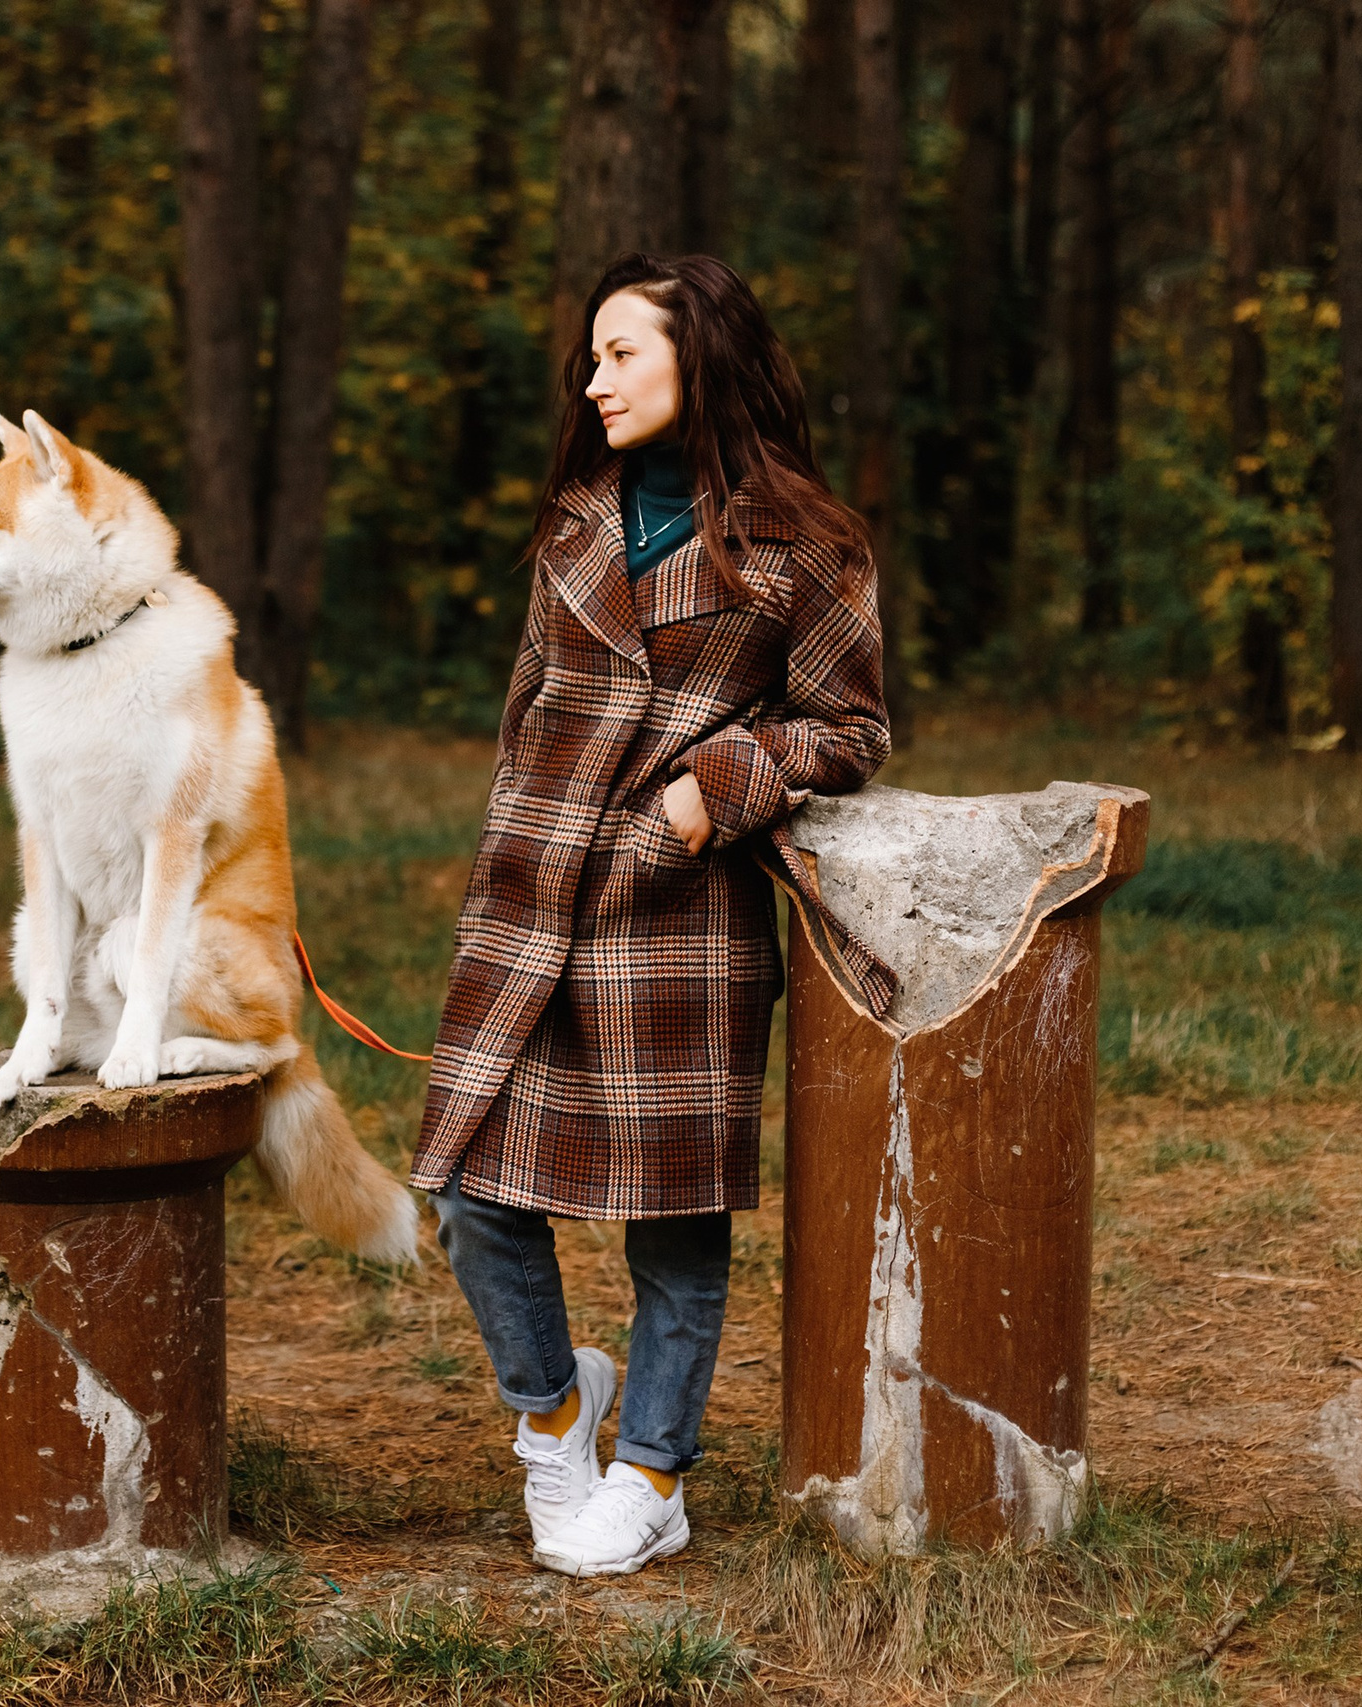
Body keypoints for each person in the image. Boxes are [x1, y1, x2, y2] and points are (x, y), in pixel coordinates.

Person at [410, 252, 892, 1577]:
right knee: (466, 1192)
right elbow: (525, 714)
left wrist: (713, 792)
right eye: (592, 356)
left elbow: (850, 729)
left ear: (703, 358)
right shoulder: (573, 525)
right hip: (528, 898)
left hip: (676, 921)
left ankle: (655, 1469)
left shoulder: (813, 544)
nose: (594, 379)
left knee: (672, 1227)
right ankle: (556, 1410)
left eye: (622, 354)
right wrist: (493, 884)